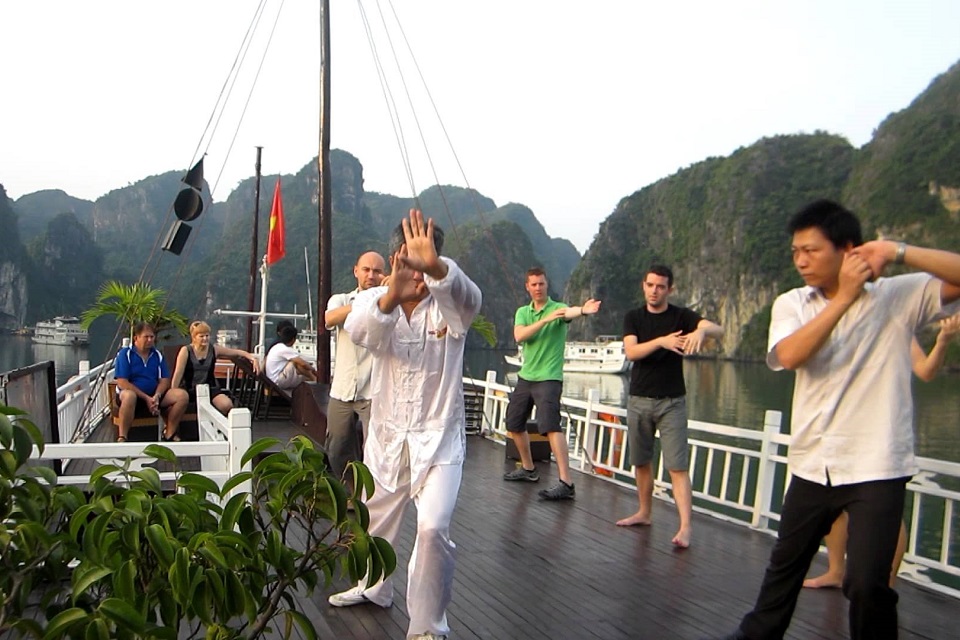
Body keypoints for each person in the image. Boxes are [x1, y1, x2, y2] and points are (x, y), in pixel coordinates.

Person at [715, 199, 960, 640]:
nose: (801, 261)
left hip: (877, 466)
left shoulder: (897, 297)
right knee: (782, 574)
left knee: (868, 585)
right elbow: (790, 355)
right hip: (813, 463)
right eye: (795, 252)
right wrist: (844, 298)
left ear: (848, 250)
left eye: (811, 250)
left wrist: (896, 250)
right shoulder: (792, 304)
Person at [326, 209, 481, 640]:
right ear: (397, 257)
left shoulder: (449, 305)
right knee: (375, 518)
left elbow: (469, 300)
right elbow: (361, 332)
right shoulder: (374, 302)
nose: (418, 269)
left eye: (427, 259)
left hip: (440, 441)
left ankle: (428, 625)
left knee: (432, 528)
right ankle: (373, 587)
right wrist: (391, 294)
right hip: (388, 435)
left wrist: (436, 269)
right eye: (411, 257)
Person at [803, 313, 960, 589]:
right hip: (841, 428)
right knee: (833, 505)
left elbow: (925, 370)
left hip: (882, 434)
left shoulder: (896, 326)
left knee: (885, 511)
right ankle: (836, 570)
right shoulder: (841, 321)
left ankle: (886, 582)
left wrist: (943, 340)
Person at [616, 264, 723, 548]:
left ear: (669, 289)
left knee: (677, 466)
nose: (654, 291)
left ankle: (685, 527)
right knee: (641, 461)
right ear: (644, 285)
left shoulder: (681, 316)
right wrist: (662, 341)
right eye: (650, 285)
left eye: (660, 286)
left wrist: (701, 331)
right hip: (639, 399)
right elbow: (632, 351)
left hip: (672, 402)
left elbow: (719, 330)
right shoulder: (634, 318)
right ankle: (644, 512)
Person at [501, 267, 601, 500]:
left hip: (549, 378)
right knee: (514, 423)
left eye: (541, 284)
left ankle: (566, 482)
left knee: (551, 427)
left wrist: (584, 311)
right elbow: (520, 336)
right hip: (526, 377)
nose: (538, 288)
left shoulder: (557, 309)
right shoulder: (523, 312)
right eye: (534, 284)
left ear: (547, 285)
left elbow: (570, 312)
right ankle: (528, 468)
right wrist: (544, 321)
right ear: (528, 287)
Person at [324, 251, 386, 483]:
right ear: (356, 271)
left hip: (375, 391)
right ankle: (351, 489)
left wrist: (387, 294)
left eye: (377, 271)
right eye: (366, 269)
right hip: (342, 388)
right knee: (337, 447)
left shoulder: (389, 304)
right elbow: (330, 319)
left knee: (377, 450)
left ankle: (371, 497)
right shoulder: (342, 299)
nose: (371, 275)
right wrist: (365, 302)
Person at [113, 321, 189, 442]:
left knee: (182, 396)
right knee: (129, 396)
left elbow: (164, 380)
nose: (149, 340)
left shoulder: (157, 355)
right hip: (132, 396)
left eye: (152, 337)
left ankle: (169, 433)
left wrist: (157, 396)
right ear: (136, 337)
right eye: (146, 337)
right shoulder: (125, 354)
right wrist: (146, 398)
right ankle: (123, 436)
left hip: (154, 395)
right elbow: (122, 382)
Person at [170, 320, 260, 416]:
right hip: (189, 389)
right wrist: (173, 392)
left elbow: (236, 352)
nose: (205, 338)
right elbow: (178, 373)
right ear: (194, 337)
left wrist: (252, 358)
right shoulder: (186, 351)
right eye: (201, 336)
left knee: (226, 405)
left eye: (207, 335)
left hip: (210, 388)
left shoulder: (214, 350)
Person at [264, 324, 317, 390]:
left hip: (273, 380)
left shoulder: (277, 346)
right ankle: (315, 379)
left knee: (301, 372)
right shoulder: (285, 349)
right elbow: (303, 363)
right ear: (293, 339)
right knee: (295, 363)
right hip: (277, 381)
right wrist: (313, 369)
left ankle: (313, 378)